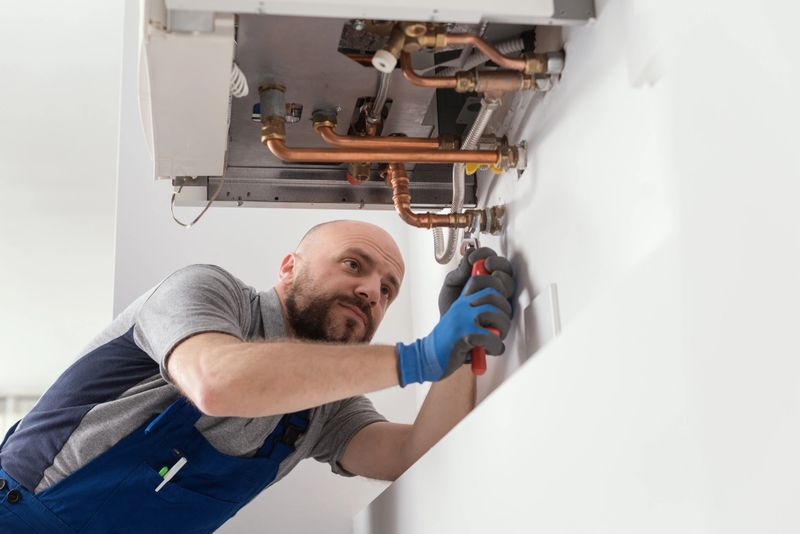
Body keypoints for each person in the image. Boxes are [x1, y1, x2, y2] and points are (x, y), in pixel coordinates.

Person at [0, 220, 513, 533]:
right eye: (353, 264)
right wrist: (419, 356)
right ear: (288, 267)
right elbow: (215, 381)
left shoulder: (324, 405)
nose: (371, 292)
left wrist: (459, 349)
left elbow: (411, 454)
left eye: (387, 289)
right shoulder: (208, 293)